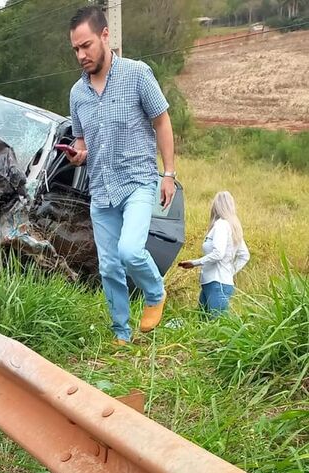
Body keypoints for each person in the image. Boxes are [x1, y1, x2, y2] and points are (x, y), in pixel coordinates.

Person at [66, 6, 177, 345]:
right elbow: (82, 141)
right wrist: (77, 154)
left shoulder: (137, 73)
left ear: (104, 36)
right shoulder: (77, 94)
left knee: (130, 251)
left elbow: (161, 121)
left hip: (138, 181)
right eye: (75, 49)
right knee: (109, 268)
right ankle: (121, 334)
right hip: (101, 189)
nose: (82, 54)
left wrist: (168, 173)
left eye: (86, 45)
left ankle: (155, 294)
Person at [179, 191, 250, 317]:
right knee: (203, 323)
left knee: (217, 325)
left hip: (217, 284)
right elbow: (244, 255)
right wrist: (229, 271)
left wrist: (194, 263)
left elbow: (218, 254)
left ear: (216, 206)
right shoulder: (232, 227)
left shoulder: (221, 225)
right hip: (214, 283)